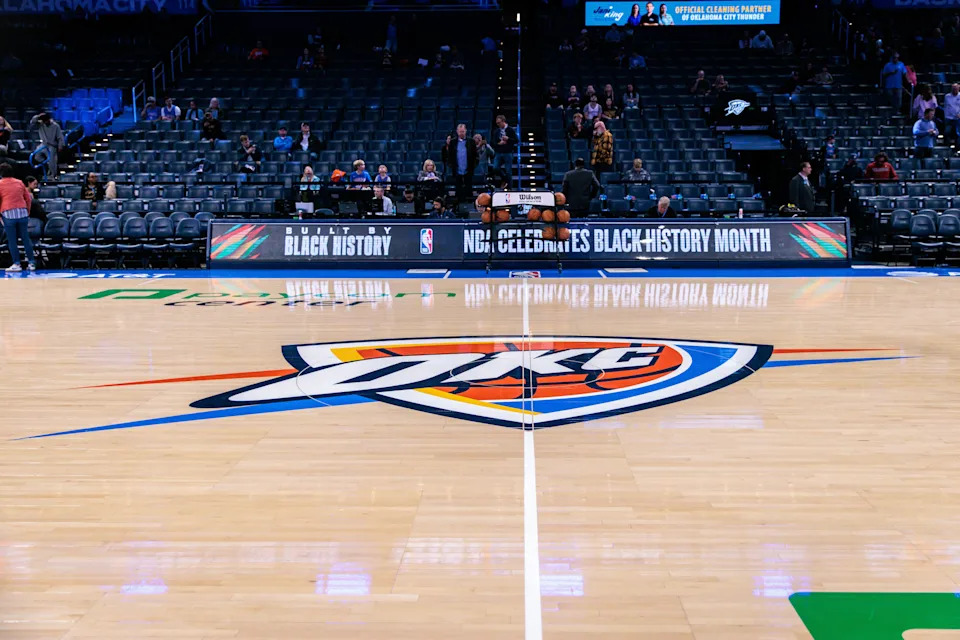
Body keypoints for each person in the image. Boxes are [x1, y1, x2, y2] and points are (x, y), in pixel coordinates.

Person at [0, 163, 35, 272]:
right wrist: (27, 211)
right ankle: (32, 263)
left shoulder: (0, 184)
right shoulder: (19, 182)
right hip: (22, 212)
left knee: (12, 240)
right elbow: (28, 199)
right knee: (25, 238)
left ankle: (17, 264)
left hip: (8, 213)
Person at [445, 123, 477, 203]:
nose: (461, 133)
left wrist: (473, 165)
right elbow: (449, 156)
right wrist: (451, 165)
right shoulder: (453, 142)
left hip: (468, 169)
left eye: (463, 131)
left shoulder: (471, 141)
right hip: (457, 169)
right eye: (460, 132)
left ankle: (470, 205)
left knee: (469, 188)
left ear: (465, 131)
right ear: (457, 132)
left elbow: (475, 156)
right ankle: (458, 206)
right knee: (458, 189)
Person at [29, 112, 64, 178]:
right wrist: (38, 116)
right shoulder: (40, 124)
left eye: (46, 121)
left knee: (52, 160)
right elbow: (32, 122)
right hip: (43, 144)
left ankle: (53, 175)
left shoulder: (55, 126)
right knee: (36, 156)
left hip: (52, 145)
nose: (45, 122)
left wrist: (60, 146)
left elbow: (60, 137)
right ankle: (47, 164)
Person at [492, 115, 517, 187]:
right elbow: (493, 142)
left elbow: (516, 140)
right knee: (495, 168)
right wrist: (498, 144)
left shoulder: (510, 130)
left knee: (508, 171)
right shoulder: (496, 131)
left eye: (499, 123)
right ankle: (505, 179)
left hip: (508, 152)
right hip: (499, 152)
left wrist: (508, 139)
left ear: (503, 121)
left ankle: (510, 188)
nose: (498, 124)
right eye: (497, 123)